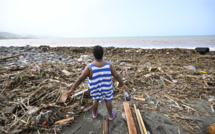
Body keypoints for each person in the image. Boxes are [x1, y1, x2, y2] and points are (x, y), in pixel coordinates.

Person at [66, 45, 127, 120]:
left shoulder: (89, 67)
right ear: (102, 54)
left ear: (94, 55)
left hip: (95, 89)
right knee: (108, 101)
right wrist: (123, 84)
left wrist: (72, 88)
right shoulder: (109, 65)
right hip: (107, 88)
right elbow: (117, 76)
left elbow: (80, 79)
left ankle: (94, 114)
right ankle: (111, 115)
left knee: (95, 100)